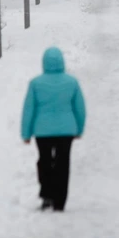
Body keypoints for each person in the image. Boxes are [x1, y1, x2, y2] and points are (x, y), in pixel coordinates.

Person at [21, 46, 86, 212]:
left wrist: (26, 133)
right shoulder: (72, 82)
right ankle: (60, 201)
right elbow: (80, 108)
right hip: (66, 131)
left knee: (44, 162)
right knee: (63, 164)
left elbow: (29, 109)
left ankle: (47, 195)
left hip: (42, 132)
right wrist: (79, 129)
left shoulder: (36, 83)